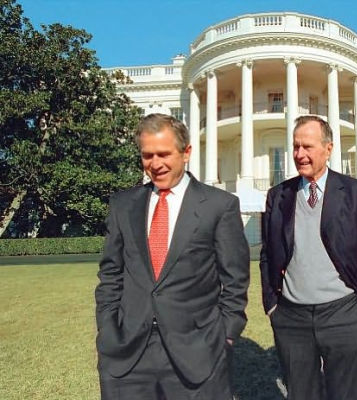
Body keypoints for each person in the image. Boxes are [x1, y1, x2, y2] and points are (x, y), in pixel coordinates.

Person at [95, 113, 250, 400]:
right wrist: (107, 330)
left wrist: (225, 335)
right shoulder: (122, 205)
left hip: (197, 352)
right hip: (128, 353)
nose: (155, 164)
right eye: (147, 155)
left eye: (164, 154)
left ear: (186, 152)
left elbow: (236, 280)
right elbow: (110, 275)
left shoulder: (219, 206)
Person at [260, 115, 357, 400]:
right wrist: (272, 305)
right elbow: (267, 254)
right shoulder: (278, 195)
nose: (299, 154)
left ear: (328, 149)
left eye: (307, 146)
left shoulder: (354, 192)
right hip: (291, 317)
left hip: (345, 314)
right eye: (295, 147)